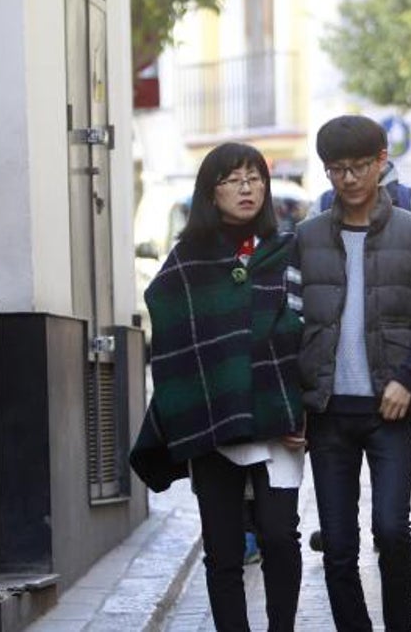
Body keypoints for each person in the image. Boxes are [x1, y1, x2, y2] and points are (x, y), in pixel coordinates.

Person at [130, 142, 306, 632]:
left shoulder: (287, 250)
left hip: (278, 419)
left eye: (255, 177)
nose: (246, 188)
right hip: (213, 418)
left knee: (278, 536)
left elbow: (308, 332)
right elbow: (171, 331)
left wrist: (299, 408)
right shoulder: (187, 262)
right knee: (223, 546)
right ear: (212, 192)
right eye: (233, 179)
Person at [286, 115, 411, 632]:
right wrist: (294, 406)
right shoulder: (306, 237)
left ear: (382, 162)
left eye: (359, 167)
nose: (349, 179)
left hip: (390, 409)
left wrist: (408, 378)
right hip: (328, 413)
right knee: (337, 543)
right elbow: (289, 325)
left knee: (391, 530)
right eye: (337, 169)